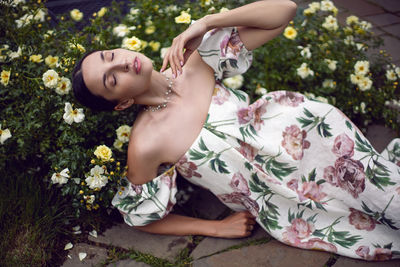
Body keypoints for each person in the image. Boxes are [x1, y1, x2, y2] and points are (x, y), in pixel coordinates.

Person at [72, 0, 400, 261]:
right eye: (112, 79)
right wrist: (216, 229)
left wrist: (207, 22)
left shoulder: (195, 60)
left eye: (110, 56)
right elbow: (139, 216)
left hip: (323, 145)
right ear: (122, 103)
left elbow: (284, 10)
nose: (122, 63)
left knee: (388, 195)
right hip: (291, 198)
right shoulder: (146, 143)